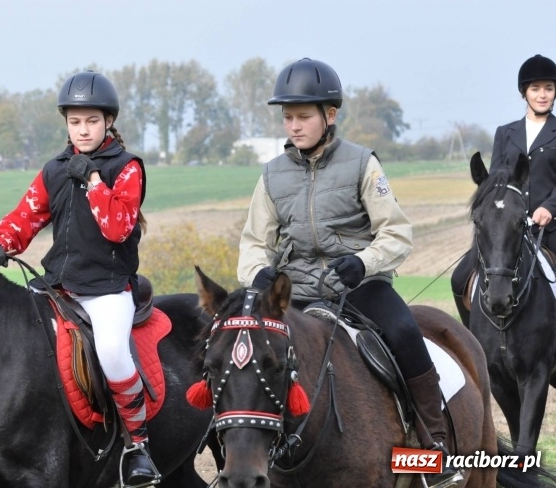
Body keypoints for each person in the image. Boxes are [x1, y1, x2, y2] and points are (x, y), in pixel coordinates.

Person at [237, 58, 462, 488]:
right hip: (295, 293)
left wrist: (364, 262)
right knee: (239, 344)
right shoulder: (271, 176)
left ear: (331, 115)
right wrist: (258, 274)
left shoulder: (362, 164)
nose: (294, 126)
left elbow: (396, 232)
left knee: (403, 332)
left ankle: (435, 445)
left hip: (359, 286)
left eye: (303, 116)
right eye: (287, 117)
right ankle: (238, 445)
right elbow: (253, 240)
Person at [0, 70, 159, 487]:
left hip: (107, 290)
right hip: (57, 285)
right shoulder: (54, 170)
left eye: (92, 121)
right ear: (66, 123)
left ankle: (138, 446)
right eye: (75, 122)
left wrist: (93, 180)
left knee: (114, 353)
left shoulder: (127, 168)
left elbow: (117, 227)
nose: (83, 130)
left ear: (109, 121)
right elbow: (26, 217)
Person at [451, 54, 556, 323]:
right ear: (524, 93)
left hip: (550, 229)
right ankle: (474, 341)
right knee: (460, 278)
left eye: (548, 88)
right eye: (535, 89)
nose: (542, 95)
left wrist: (549, 208)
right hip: (509, 230)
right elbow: (496, 183)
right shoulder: (505, 133)